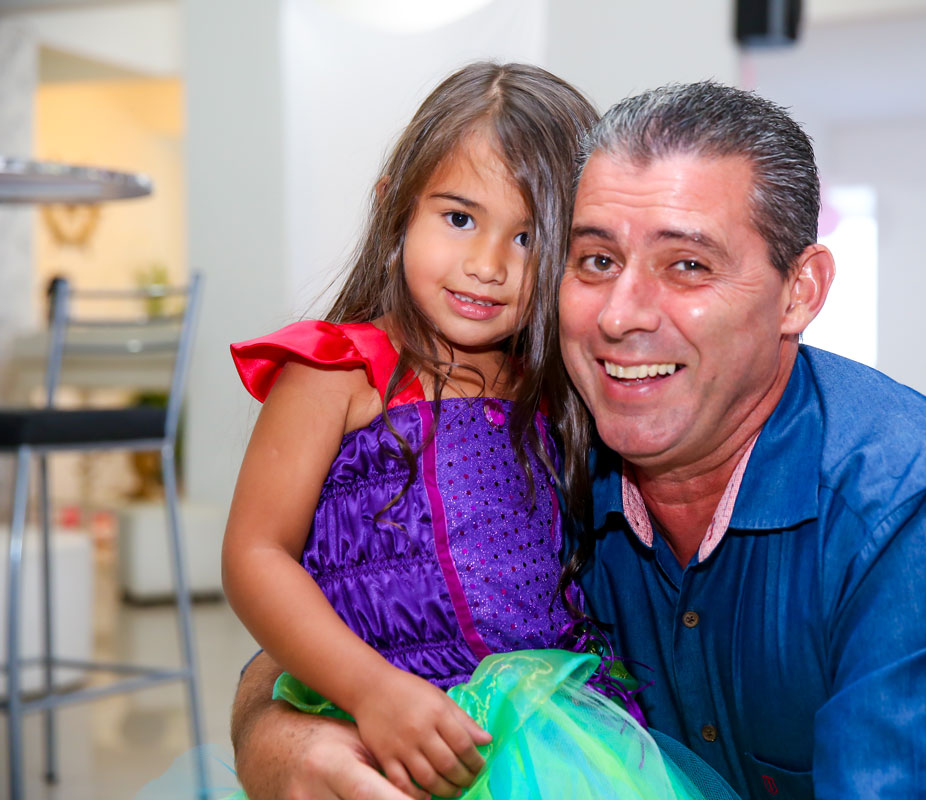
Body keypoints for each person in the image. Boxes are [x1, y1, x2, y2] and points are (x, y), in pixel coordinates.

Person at [230, 82, 926, 799]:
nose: (623, 314)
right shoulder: (553, 450)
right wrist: (280, 739)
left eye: (687, 265)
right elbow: (352, 614)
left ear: (800, 293)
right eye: (596, 260)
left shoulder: (914, 509)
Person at [220, 63, 734, 800]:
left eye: (528, 238)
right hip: (390, 718)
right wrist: (370, 691)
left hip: (560, 735)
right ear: (395, 208)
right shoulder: (339, 371)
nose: (488, 266)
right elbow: (254, 553)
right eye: (459, 219)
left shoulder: (557, 391)